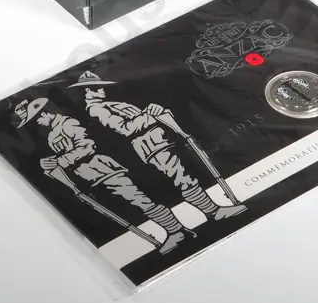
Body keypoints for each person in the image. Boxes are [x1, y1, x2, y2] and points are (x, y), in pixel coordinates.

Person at [14, 97, 189, 254]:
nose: (38, 123)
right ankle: (172, 231)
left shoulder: (68, 124)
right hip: (88, 177)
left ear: (45, 113)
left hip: (105, 170)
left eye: (37, 118)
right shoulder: (52, 135)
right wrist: (54, 165)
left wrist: (61, 160)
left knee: (140, 200)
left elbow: (87, 146)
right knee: (128, 208)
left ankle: (176, 231)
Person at [70, 72, 248, 222]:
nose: (102, 89)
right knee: (182, 178)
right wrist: (148, 114)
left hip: (156, 140)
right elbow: (126, 128)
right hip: (148, 145)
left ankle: (213, 210)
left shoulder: (108, 105)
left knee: (185, 175)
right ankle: (213, 212)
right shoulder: (97, 109)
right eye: (97, 87)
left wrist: (150, 114)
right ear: (88, 91)